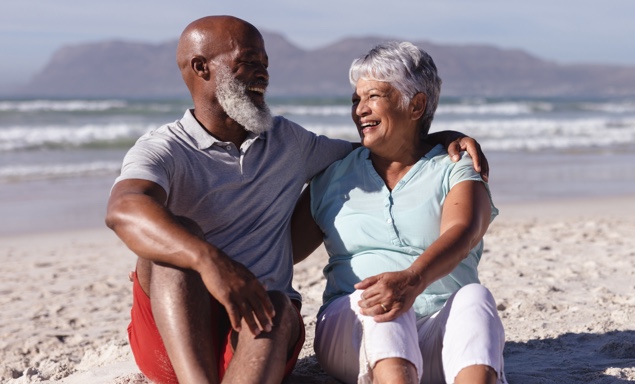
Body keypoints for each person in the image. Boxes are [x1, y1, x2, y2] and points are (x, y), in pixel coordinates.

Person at [106, 16, 487, 384]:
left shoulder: (289, 142)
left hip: (260, 331)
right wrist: (210, 262)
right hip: (177, 335)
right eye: (248, 63)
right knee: (175, 245)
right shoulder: (164, 149)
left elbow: (383, 147)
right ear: (201, 67)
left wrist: (439, 137)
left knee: (278, 305)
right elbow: (124, 208)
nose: (263, 74)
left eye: (265, 64)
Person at [291, 41, 506, 384]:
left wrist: (412, 280)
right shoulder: (333, 176)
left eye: (373, 96)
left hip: (440, 333)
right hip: (354, 331)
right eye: (355, 100)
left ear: (416, 105)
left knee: (475, 297)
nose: (359, 109)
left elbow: (464, 232)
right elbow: (281, 251)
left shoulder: (452, 166)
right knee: (379, 300)